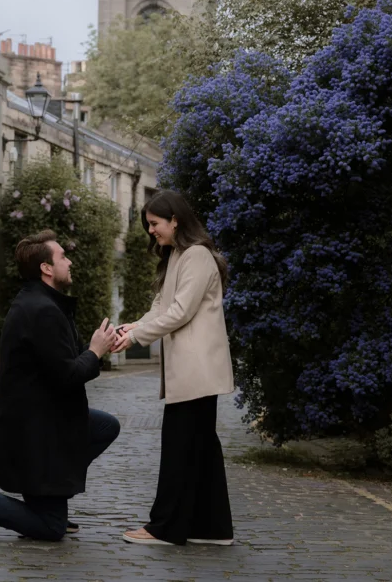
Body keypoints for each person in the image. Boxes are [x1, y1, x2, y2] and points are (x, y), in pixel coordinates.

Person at [0, 229, 121, 541]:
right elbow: (67, 375)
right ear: (46, 268)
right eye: (63, 257)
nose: (69, 262)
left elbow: (65, 359)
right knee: (50, 529)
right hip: (34, 433)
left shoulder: (46, 303)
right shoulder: (41, 310)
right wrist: (95, 352)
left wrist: (104, 345)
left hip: (44, 420)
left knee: (104, 426)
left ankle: (52, 497)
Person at [112, 189, 235, 547]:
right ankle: (213, 529)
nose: (151, 231)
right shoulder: (177, 257)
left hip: (196, 370)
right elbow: (159, 309)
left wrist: (134, 338)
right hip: (193, 371)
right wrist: (129, 328)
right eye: (148, 225)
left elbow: (179, 313)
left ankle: (164, 528)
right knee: (201, 450)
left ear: (175, 220)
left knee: (180, 449)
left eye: (155, 223)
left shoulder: (196, 256)